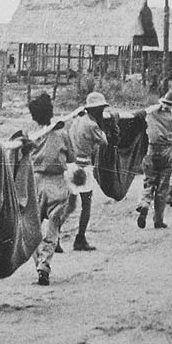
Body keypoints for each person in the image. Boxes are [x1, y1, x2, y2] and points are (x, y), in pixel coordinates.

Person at [28, 93, 75, 285]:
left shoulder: (31, 135)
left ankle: (38, 260)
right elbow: (72, 157)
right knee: (53, 226)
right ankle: (44, 262)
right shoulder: (62, 134)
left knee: (32, 227)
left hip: (35, 182)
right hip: (56, 182)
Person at [65, 91, 117, 251]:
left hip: (71, 165)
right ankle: (80, 239)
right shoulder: (92, 124)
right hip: (84, 165)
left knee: (70, 204)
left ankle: (55, 236)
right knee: (86, 204)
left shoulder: (77, 120)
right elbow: (105, 142)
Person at [135, 89, 172, 229]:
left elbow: (142, 113)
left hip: (150, 149)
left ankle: (144, 204)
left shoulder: (151, 114)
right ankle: (158, 219)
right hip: (167, 151)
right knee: (163, 187)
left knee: (148, 181)